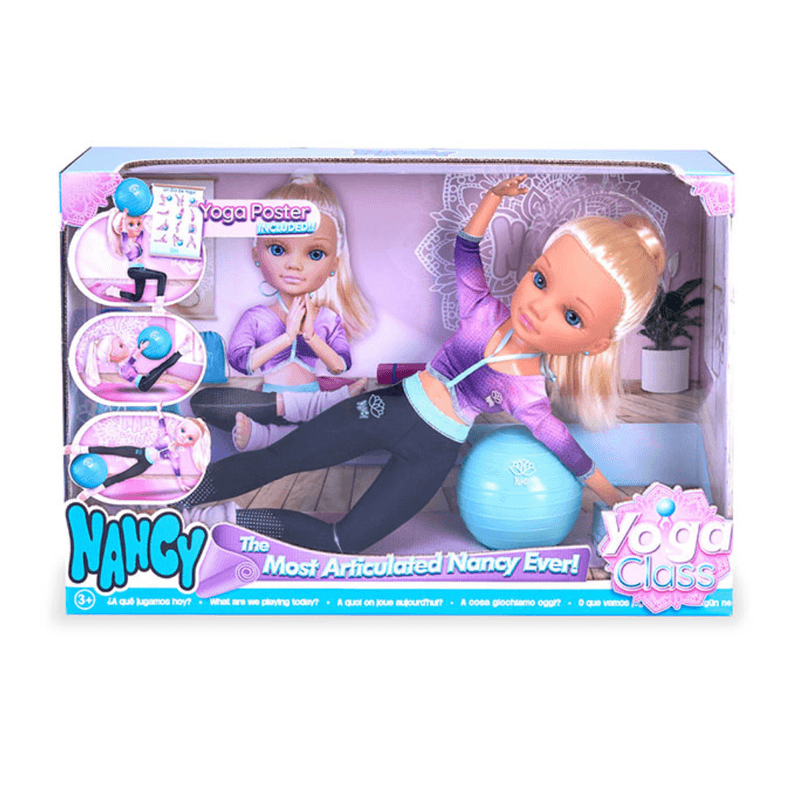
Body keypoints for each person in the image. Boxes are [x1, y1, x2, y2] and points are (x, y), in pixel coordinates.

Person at [178, 175, 665, 554]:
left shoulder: (531, 391)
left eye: (572, 316)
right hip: (388, 407)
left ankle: (225, 523)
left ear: (596, 344)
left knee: (345, 541)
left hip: (433, 453)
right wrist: (493, 199)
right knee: (279, 459)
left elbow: (570, 453)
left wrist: (615, 497)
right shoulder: (483, 311)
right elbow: (466, 249)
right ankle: (180, 496)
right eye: (541, 279)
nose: (539, 307)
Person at [189, 173, 372, 452]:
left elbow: (339, 365)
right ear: (256, 253)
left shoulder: (326, 318)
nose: (294, 265)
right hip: (270, 402)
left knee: (366, 412)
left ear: (334, 263)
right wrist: (286, 337)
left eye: (315, 254)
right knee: (205, 402)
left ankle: (269, 436)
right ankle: (307, 415)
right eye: (278, 249)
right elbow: (243, 364)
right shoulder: (255, 317)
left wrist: (311, 337)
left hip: (307, 396)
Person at [67, 406, 211, 502]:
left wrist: (180, 483)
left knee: (121, 477)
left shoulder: (175, 455)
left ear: (193, 443)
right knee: (111, 450)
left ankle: (91, 492)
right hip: (140, 452)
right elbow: (162, 424)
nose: (183, 437)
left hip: (146, 464)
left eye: (190, 438)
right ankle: (79, 449)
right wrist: (159, 411)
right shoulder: (166, 436)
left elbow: (176, 469)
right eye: (183, 431)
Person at [84, 332, 191, 393]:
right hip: (143, 383)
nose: (125, 346)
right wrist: (141, 348)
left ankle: (183, 348)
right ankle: (183, 349)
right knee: (163, 366)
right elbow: (133, 358)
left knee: (162, 367)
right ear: (114, 354)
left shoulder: (120, 367)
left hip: (143, 381)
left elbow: (131, 363)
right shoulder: (123, 368)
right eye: (121, 346)